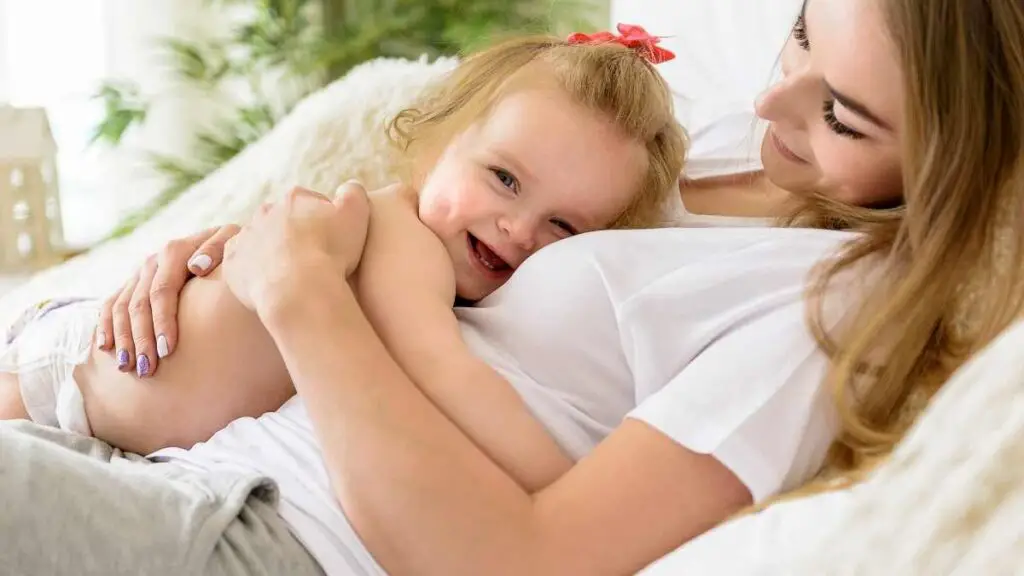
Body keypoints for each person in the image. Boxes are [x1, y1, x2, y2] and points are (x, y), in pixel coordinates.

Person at [2, 1, 1022, 575]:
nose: (767, 99)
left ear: (952, 159)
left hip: (275, 537)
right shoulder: (697, 147)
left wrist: (308, 303)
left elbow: (522, 564)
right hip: (184, 456)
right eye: (800, 31)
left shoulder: (829, 309)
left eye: (841, 115)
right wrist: (236, 261)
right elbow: (419, 206)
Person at [0, 31, 685, 477]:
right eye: (503, 179)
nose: (517, 228)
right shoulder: (400, 240)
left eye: (563, 226)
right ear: (438, 142)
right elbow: (444, 373)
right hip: (81, 360)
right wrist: (567, 481)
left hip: (115, 417)